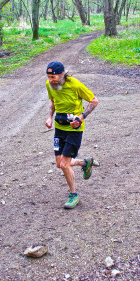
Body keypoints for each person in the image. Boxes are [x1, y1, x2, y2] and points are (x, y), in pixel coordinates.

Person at [45, 61, 99, 209]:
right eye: (49, 76)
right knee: (59, 164)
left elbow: (94, 101)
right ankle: (84, 163)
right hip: (59, 128)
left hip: (74, 130)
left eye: (54, 76)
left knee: (64, 164)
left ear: (62, 74)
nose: (51, 80)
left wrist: (81, 118)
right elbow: (52, 100)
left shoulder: (75, 85)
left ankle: (73, 195)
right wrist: (50, 117)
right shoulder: (50, 85)